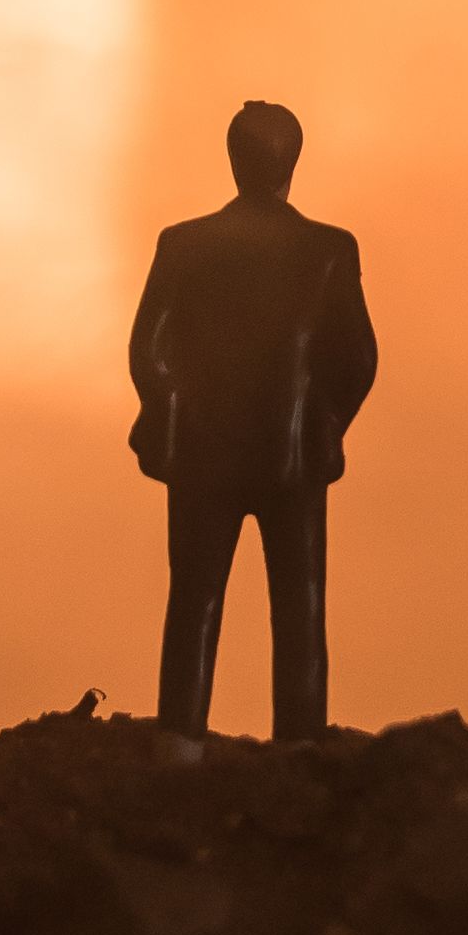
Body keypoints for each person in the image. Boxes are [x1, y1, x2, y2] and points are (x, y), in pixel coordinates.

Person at [128, 97, 372, 743]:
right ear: (293, 162)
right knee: (300, 609)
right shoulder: (328, 250)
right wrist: (321, 424)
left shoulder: (182, 246)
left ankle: (180, 740)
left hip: (202, 458)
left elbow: (146, 350)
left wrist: (171, 408)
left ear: (233, 159)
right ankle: (299, 743)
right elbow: (358, 359)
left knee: (193, 602)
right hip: (292, 463)